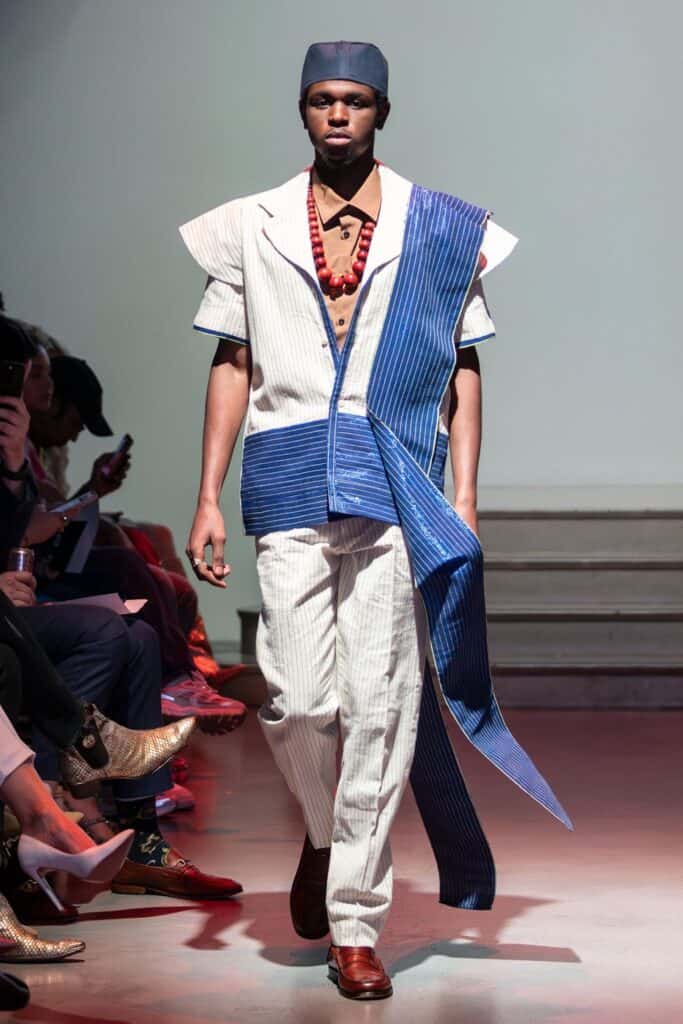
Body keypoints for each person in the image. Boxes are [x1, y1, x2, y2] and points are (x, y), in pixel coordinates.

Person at [181, 41, 571, 1000]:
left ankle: (357, 919)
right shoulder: (250, 224)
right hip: (285, 475)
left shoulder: (439, 226)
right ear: (303, 113)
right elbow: (231, 360)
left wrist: (466, 497)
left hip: (397, 480)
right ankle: (323, 834)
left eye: (355, 100)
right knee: (296, 697)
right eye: (322, 101)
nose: (339, 115)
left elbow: (464, 366)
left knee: (386, 701)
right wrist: (203, 493)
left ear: (381, 112)